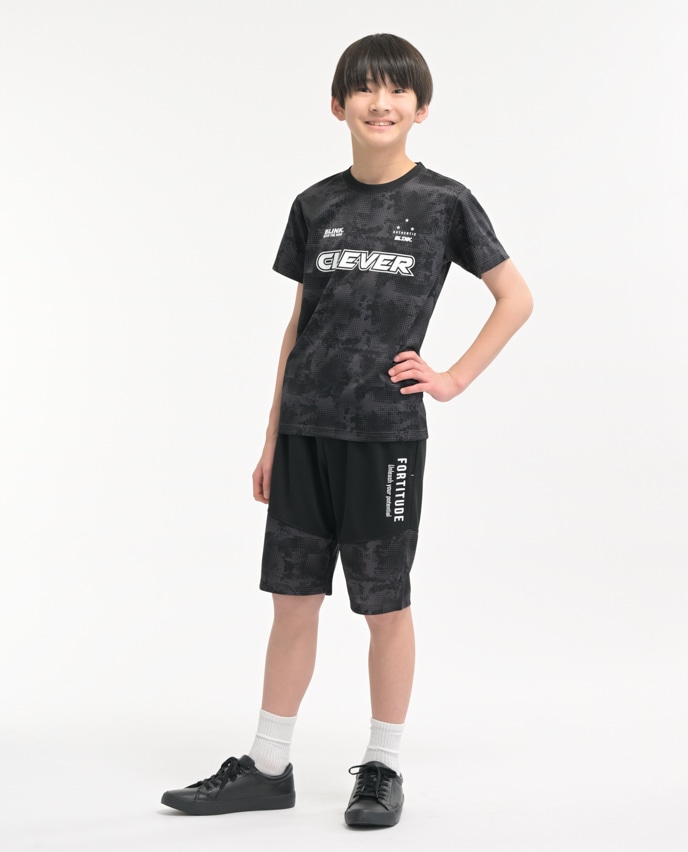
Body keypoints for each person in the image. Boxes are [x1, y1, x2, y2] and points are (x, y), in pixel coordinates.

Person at [161, 32, 533, 827]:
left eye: (396, 90)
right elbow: (299, 326)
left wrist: (453, 378)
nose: (379, 102)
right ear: (338, 105)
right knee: (292, 601)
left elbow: (516, 297)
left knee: (384, 605)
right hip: (305, 436)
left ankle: (383, 768)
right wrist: (272, 437)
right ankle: (268, 767)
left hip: (384, 438)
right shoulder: (315, 205)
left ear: (421, 108)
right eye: (364, 89)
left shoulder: (445, 203)